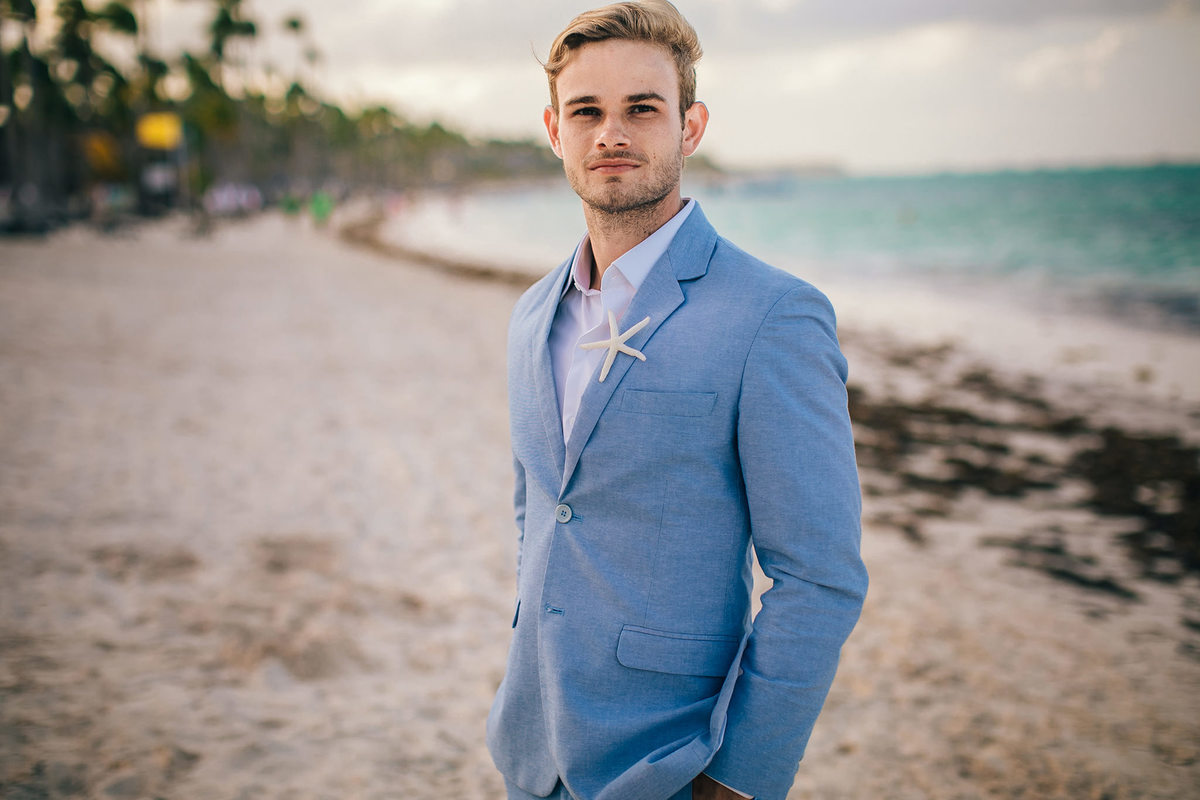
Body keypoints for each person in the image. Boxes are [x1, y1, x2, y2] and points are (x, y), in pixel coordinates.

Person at [486, 2, 868, 798]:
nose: (610, 134)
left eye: (641, 109)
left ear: (690, 128)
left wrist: (739, 776)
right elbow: (540, 513)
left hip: (675, 761)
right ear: (554, 131)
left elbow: (819, 577)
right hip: (530, 750)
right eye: (585, 111)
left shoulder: (774, 315)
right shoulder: (531, 315)